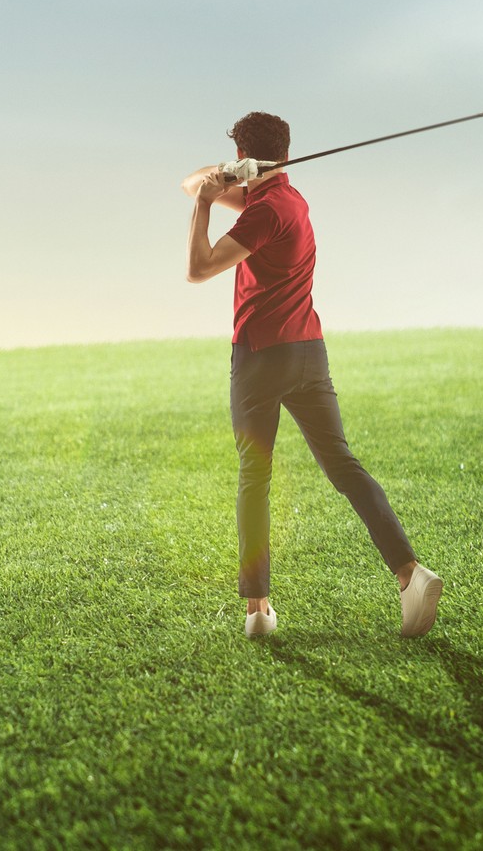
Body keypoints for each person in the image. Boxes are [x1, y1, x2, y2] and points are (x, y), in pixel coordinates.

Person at [180, 111, 442, 639]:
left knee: (255, 478)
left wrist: (210, 200)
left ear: (247, 154)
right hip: (308, 355)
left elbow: (199, 267)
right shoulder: (289, 200)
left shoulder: (260, 214)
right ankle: (410, 574)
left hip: (259, 358)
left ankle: (257, 608)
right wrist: (228, 177)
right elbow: (189, 181)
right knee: (344, 466)